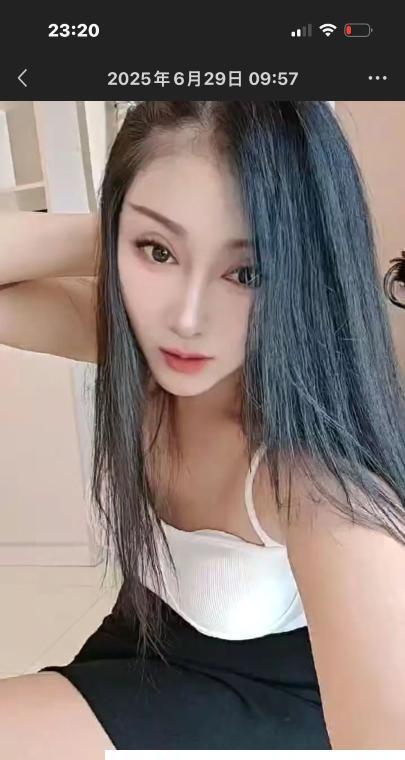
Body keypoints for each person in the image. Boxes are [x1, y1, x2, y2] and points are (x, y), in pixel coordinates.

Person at [1, 100, 405, 754]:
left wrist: (151, 234)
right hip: (144, 639)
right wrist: (119, 225)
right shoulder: (142, 355)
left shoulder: (320, 482)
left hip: (265, 701)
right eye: (158, 251)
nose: (187, 319)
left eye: (246, 271)